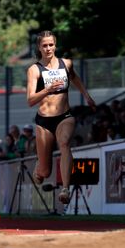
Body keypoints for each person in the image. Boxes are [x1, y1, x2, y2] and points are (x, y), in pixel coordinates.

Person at [26, 30, 96, 204]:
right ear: (39, 48)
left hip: (65, 116)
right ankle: (39, 167)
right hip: (44, 121)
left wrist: (86, 95)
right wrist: (47, 90)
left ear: (55, 45)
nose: (48, 48)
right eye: (45, 45)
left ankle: (65, 189)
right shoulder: (34, 70)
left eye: (51, 44)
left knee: (65, 143)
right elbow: (30, 100)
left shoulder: (66, 64)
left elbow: (75, 78)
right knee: (45, 173)